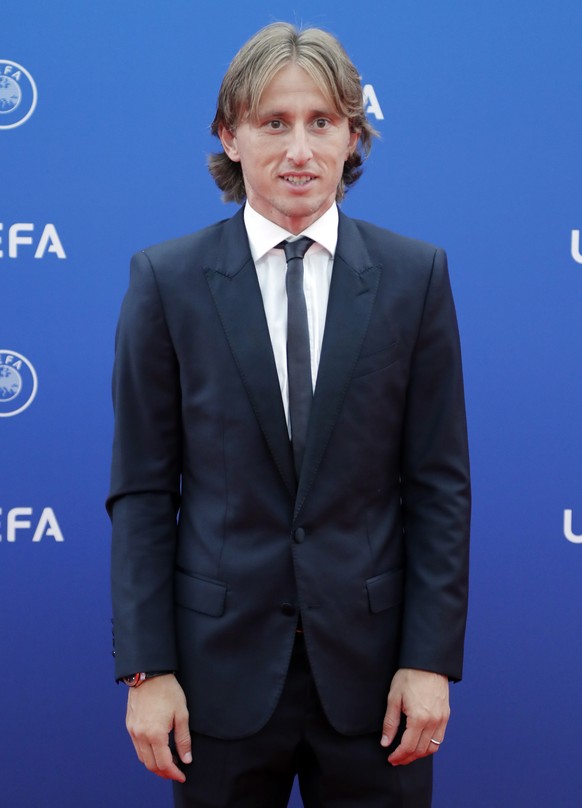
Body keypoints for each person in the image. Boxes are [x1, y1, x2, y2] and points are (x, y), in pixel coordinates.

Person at [107, 21, 470, 808]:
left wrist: (430, 660)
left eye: (322, 122)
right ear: (229, 136)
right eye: (274, 123)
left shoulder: (415, 279)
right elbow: (141, 490)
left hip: (377, 684)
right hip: (215, 682)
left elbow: (439, 488)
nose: (300, 149)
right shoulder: (166, 283)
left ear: (352, 135)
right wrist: (149, 668)